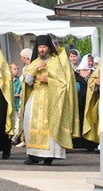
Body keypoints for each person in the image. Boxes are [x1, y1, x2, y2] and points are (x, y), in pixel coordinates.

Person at [21, 35, 79, 165]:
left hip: (52, 98)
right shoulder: (34, 62)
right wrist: (35, 69)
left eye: (44, 47)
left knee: (49, 126)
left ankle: (48, 156)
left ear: (49, 48)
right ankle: (33, 155)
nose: (42, 50)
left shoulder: (56, 62)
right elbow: (28, 81)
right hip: (35, 98)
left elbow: (64, 83)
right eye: (40, 47)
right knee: (30, 124)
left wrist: (48, 80)